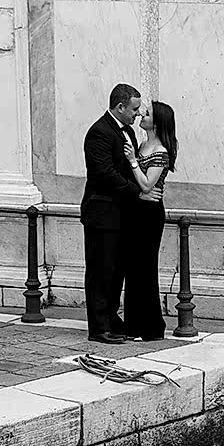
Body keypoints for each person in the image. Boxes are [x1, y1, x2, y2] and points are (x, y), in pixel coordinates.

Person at [80, 84, 144, 342]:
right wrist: (137, 190)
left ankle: (112, 320)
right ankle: (99, 328)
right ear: (120, 107)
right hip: (102, 213)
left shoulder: (127, 130)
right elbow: (104, 173)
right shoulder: (99, 132)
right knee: (100, 271)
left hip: (120, 214)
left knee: (116, 270)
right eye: (134, 109)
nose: (137, 115)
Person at [119, 101, 176, 341]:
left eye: (148, 113)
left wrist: (132, 160)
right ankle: (133, 325)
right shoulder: (143, 144)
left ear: (158, 121)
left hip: (150, 215)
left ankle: (152, 327)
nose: (142, 114)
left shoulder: (160, 151)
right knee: (133, 268)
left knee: (145, 268)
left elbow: (146, 184)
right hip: (137, 211)